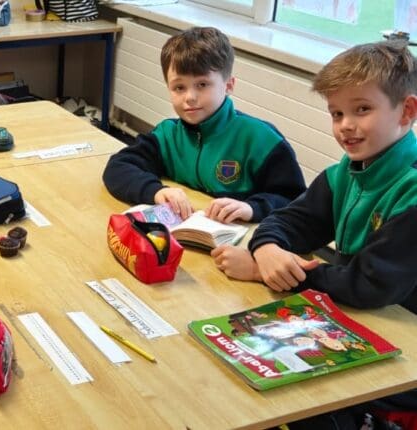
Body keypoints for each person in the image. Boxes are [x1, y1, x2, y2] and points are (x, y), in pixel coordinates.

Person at [213, 40, 417, 429]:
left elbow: (369, 285)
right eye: (337, 113)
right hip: (366, 319)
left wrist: (261, 272)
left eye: (362, 109)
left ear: (407, 111)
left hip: (406, 352)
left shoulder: (412, 191)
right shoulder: (347, 173)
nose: (346, 125)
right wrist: (267, 249)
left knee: (292, 392)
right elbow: (287, 221)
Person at [102, 26, 305, 223]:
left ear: (229, 85)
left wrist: (252, 208)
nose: (190, 97)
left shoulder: (261, 139)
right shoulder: (167, 135)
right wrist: (156, 192)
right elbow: (118, 168)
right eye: (179, 87)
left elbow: (295, 202)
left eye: (202, 84)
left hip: (244, 239)